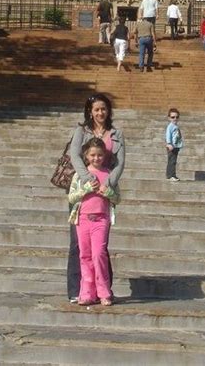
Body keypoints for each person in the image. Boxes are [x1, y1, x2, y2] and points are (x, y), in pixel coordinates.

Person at [67, 93, 125, 304]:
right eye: (96, 109)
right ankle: (78, 289)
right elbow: (74, 156)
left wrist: (108, 183)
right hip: (84, 188)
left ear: (108, 111)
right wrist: (87, 178)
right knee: (78, 246)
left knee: (99, 248)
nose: (100, 113)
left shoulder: (116, 134)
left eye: (103, 109)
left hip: (104, 189)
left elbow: (120, 162)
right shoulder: (81, 131)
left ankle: (103, 289)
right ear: (90, 111)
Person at [68, 138, 120, 306]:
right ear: (86, 155)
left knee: (99, 255)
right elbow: (71, 197)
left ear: (104, 155)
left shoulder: (109, 174)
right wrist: (85, 189)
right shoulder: (80, 175)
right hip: (83, 219)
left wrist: (108, 193)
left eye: (99, 155)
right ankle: (87, 292)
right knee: (85, 256)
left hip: (101, 219)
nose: (96, 158)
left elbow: (118, 198)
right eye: (93, 155)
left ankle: (104, 291)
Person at [165, 108, 183, 181]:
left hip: (176, 146)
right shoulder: (170, 126)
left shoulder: (175, 126)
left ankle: (173, 175)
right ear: (169, 118)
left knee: (174, 161)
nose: (175, 119)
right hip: (171, 146)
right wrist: (169, 143)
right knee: (171, 161)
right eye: (173, 117)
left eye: (176, 117)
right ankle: (170, 175)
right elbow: (168, 135)